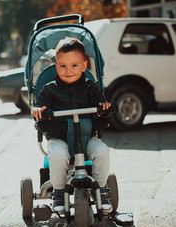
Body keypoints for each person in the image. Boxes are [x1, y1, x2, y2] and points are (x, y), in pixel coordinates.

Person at [31, 37, 112, 214]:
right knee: (58, 155)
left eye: (74, 65)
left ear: (84, 66)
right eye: (63, 66)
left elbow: (100, 102)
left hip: (86, 135)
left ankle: (101, 188)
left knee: (102, 151)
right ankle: (58, 191)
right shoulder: (49, 90)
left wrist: (103, 107)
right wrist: (38, 109)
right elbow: (40, 104)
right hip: (60, 137)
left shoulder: (90, 87)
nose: (68, 71)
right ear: (56, 66)